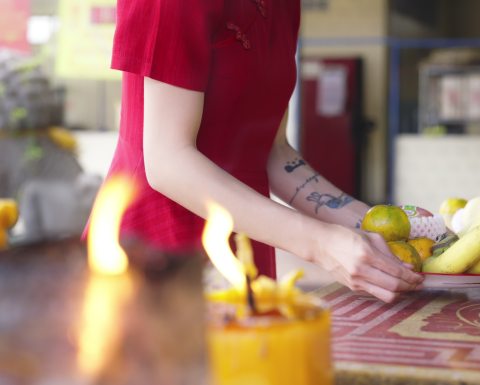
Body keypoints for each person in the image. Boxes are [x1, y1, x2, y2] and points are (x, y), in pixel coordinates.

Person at [91, 0, 423, 302]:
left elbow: (274, 153)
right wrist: (321, 244)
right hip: (160, 251)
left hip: (248, 239)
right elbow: (168, 161)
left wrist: (373, 226)